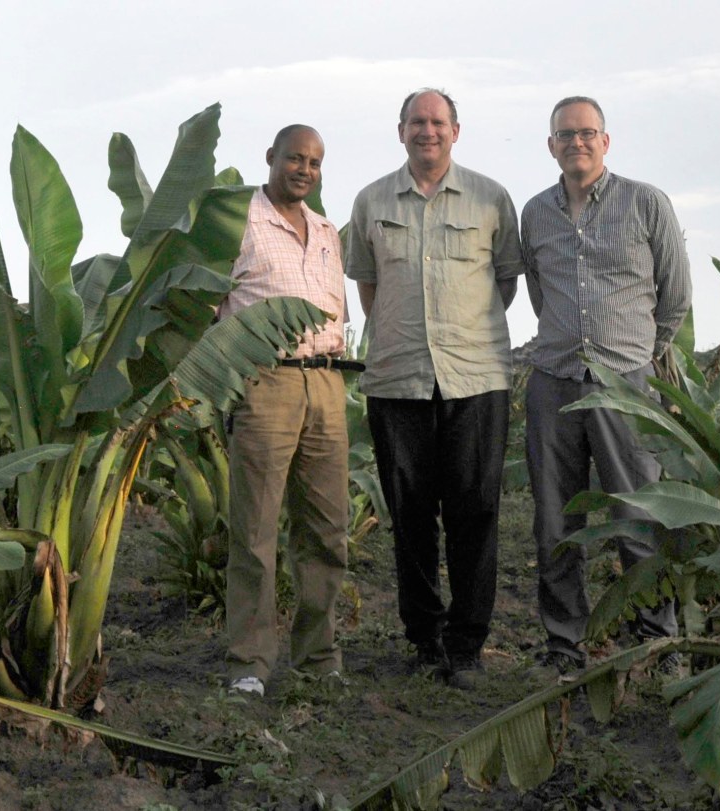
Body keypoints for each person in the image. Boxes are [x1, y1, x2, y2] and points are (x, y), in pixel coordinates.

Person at [344, 88, 523, 682]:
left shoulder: (491, 198)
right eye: (417, 122)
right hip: (397, 380)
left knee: (476, 510)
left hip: (475, 377)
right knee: (410, 514)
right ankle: (425, 638)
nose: (428, 131)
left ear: (456, 130)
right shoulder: (371, 201)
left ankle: (467, 644)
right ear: (401, 131)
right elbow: (368, 289)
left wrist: (459, 333)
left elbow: (504, 284)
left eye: (438, 122)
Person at [521, 96, 692, 673]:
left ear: (606, 140)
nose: (577, 143)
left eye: (587, 133)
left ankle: (657, 641)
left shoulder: (646, 203)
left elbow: (676, 297)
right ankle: (564, 644)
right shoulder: (535, 213)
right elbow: (541, 295)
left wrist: (638, 356)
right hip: (555, 380)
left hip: (626, 385)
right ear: (551, 146)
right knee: (555, 522)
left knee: (640, 515)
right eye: (565, 135)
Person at [220, 124, 359, 697]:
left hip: (327, 386)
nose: (304, 169)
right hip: (265, 384)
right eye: (295, 158)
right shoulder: (240, 224)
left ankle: (318, 657)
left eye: (315, 162)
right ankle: (250, 662)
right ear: (271, 158)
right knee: (256, 530)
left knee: (327, 529)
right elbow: (207, 307)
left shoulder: (327, 231)